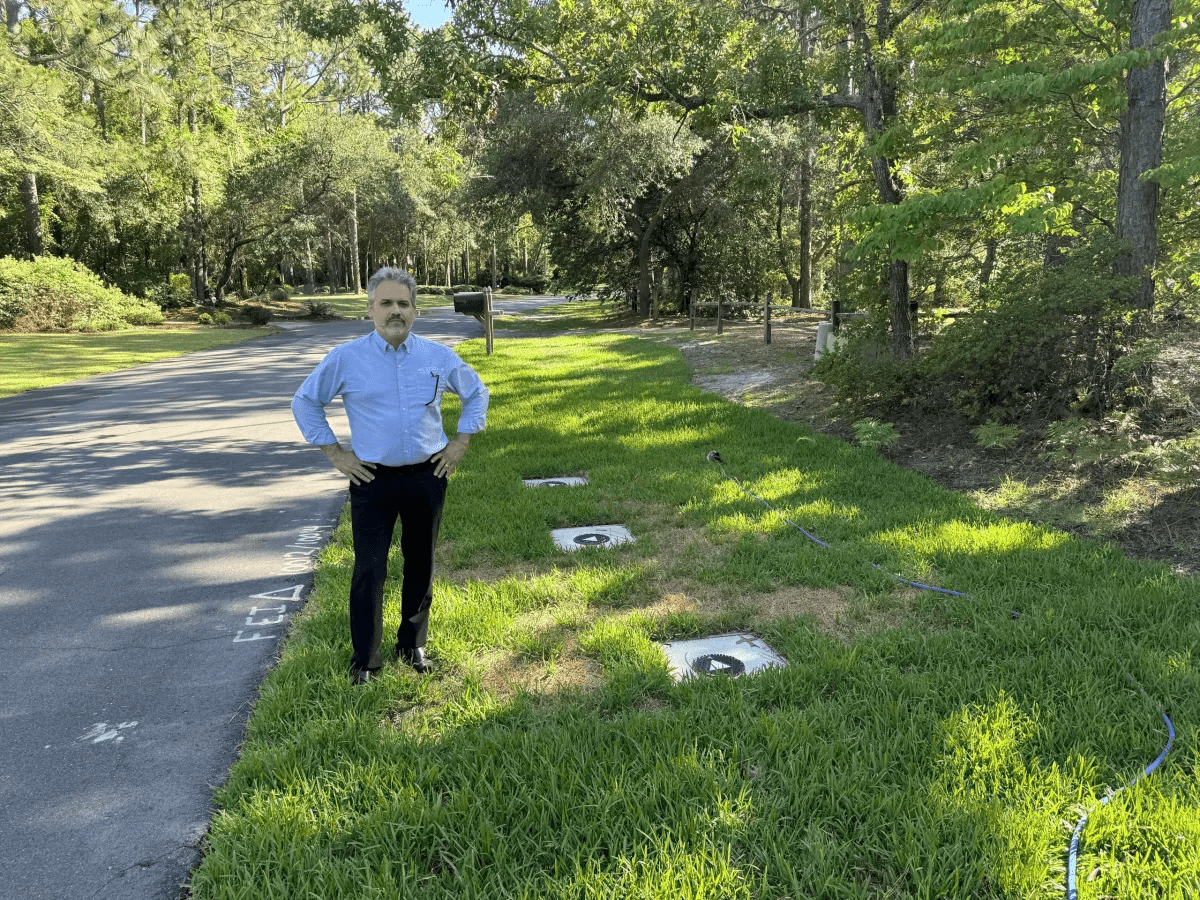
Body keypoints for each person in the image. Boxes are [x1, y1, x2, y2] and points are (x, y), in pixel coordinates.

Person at [291, 267, 489, 683]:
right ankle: (366, 659)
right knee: (369, 568)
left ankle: (412, 645)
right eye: (386, 303)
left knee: (421, 562)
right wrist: (336, 454)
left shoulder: (437, 356)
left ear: (415, 311)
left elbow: (476, 392)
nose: (395, 311)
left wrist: (460, 444)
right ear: (370, 310)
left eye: (403, 303)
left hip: (427, 475)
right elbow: (305, 402)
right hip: (371, 481)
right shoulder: (346, 358)